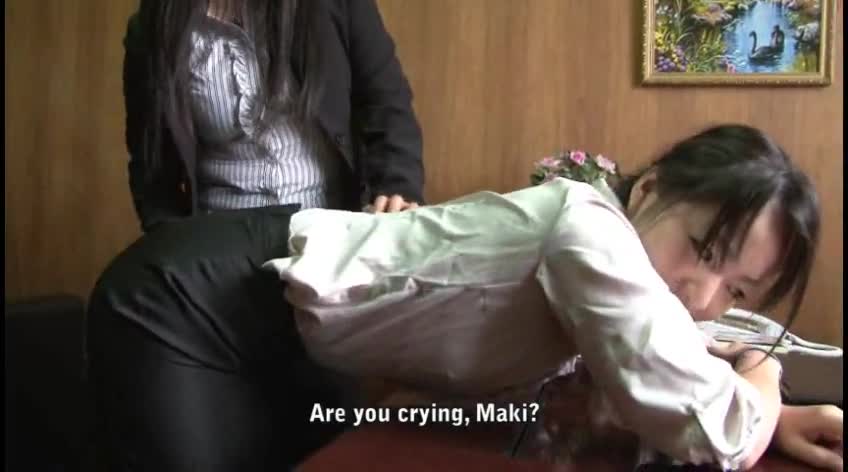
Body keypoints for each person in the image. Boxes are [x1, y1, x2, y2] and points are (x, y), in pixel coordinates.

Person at [86, 124, 843, 471]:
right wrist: (765, 376)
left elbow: (661, 381)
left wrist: (769, 419)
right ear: (648, 190)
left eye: (737, 289)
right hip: (190, 302)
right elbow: (710, 428)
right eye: (703, 250)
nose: (702, 293)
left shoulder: (619, 274)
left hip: (286, 328)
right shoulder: (590, 230)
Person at [123, 0, 425, 233]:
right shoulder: (151, 31)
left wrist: (396, 187)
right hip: (218, 241)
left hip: (332, 230)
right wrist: (171, 241)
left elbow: (386, 100)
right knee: (123, 288)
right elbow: (151, 169)